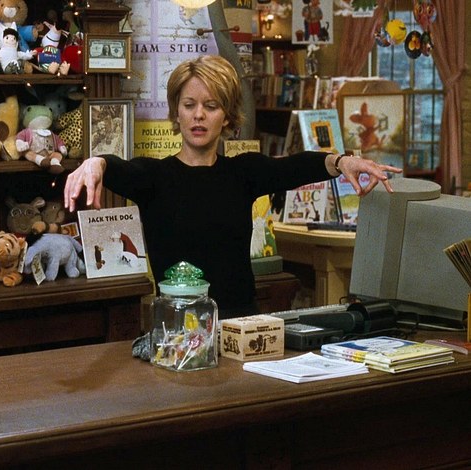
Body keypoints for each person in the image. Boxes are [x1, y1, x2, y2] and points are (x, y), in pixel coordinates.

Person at [64, 55, 401, 318]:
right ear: (176, 113)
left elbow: (293, 167)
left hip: (240, 324)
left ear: (226, 116)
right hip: (176, 330)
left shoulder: (243, 172)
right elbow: (118, 167)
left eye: (210, 106)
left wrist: (341, 162)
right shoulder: (154, 177)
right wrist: (96, 163)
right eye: (189, 105)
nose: (199, 115)